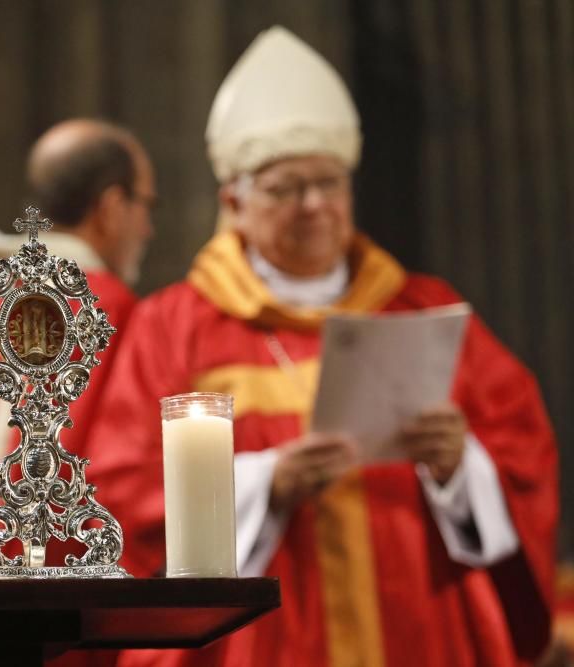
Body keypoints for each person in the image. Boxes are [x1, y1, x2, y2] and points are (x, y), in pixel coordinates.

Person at [83, 26, 557, 667]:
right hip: (261, 636)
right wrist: (265, 484)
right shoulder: (177, 325)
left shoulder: (421, 307)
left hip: (417, 622)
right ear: (234, 202)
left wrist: (459, 468)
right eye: (286, 188)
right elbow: (122, 488)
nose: (313, 206)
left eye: (329, 184)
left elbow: (522, 453)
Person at [0, 118, 156, 463]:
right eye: (147, 205)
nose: (148, 229)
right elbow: (118, 469)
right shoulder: (113, 311)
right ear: (111, 208)